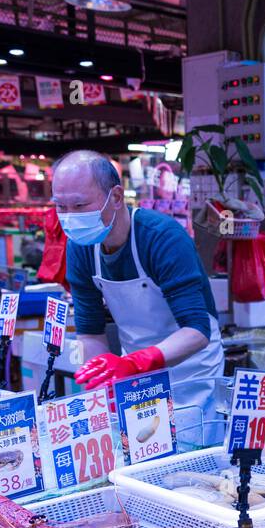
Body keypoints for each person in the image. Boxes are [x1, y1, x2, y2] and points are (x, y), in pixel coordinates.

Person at [52, 150, 223, 428]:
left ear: (116, 197)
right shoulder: (80, 247)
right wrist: (100, 381)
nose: (69, 217)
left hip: (191, 369)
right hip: (133, 368)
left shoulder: (162, 237)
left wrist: (137, 363)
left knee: (192, 448)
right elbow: (91, 332)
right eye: (60, 206)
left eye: (80, 205)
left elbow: (197, 331)